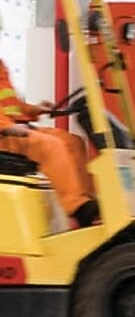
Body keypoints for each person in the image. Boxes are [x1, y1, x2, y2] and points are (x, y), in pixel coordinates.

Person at [0, 57, 98, 227]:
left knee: (73, 141)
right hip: (4, 134)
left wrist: (34, 109)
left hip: (14, 126)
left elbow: (10, 104)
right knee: (52, 146)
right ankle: (77, 207)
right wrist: (7, 127)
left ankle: (88, 200)